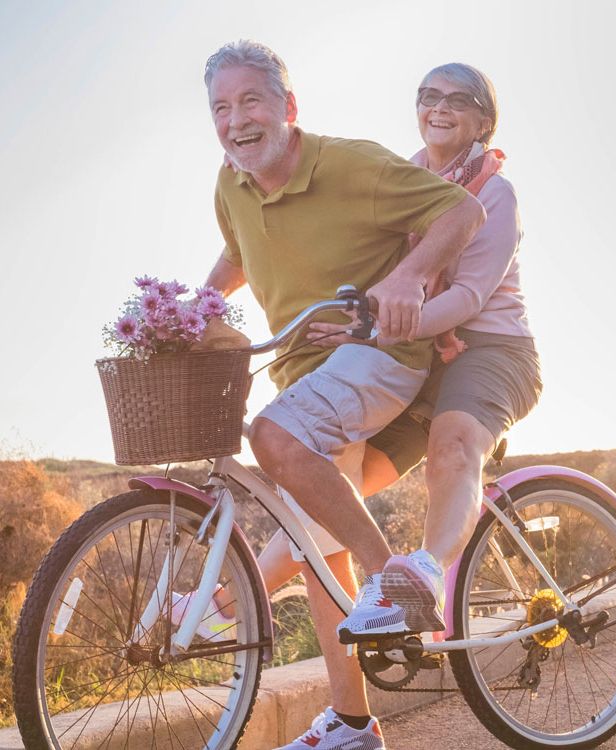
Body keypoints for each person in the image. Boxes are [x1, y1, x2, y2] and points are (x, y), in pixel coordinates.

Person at [200, 41, 484, 750]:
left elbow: (460, 213)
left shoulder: (351, 164)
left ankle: (395, 583)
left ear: (289, 108)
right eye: (221, 108)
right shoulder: (230, 185)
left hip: (380, 355)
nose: (237, 121)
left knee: (272, 435)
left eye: (251, 101)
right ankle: (354, 723)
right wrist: (192, 310)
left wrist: (411, 277)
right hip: (306, 373)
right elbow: (238, 254)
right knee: (318, 549)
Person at [254, 62, 542, 748]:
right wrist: (348, 322)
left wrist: (383, 329)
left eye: (458, 100)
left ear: (483, 121)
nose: (439, 108)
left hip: (490, 352)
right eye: (428, 97)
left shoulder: (494, 193)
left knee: (452, 446)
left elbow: (468, 300)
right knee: (325, 494)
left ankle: (421, 576)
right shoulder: (408, 174)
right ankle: (239, 607)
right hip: (415, 359)